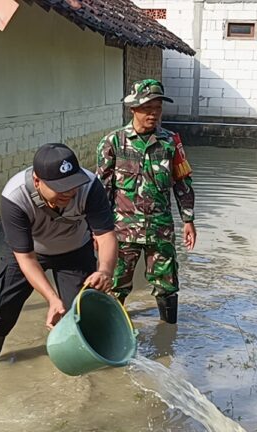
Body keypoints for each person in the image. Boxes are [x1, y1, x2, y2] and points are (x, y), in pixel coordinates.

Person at [0, 143, 118, 366]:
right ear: (37, 181)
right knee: (1, 308)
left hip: (75, 250)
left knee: (82, 313)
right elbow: (26, 258)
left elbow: (105, 235)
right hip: (30, 252)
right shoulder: (15, 196)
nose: (69, 193)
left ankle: (84, 372)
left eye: (72, 185)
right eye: (60, 187)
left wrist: (104, 270)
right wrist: (52, 299)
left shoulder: (90, 186)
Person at [96, 78, 196, 324]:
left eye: (158, 108)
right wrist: (97, 231)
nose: (154, 114)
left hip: (160, 229)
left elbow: (183, 182)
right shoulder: (114, 143)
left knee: (167, 284)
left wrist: (188, 220)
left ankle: (169, 338)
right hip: (121, 231)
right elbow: (101, 191)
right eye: (148, 108)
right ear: (134, 109)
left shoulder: (171, 142)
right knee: (115, 285)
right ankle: (112, 331)